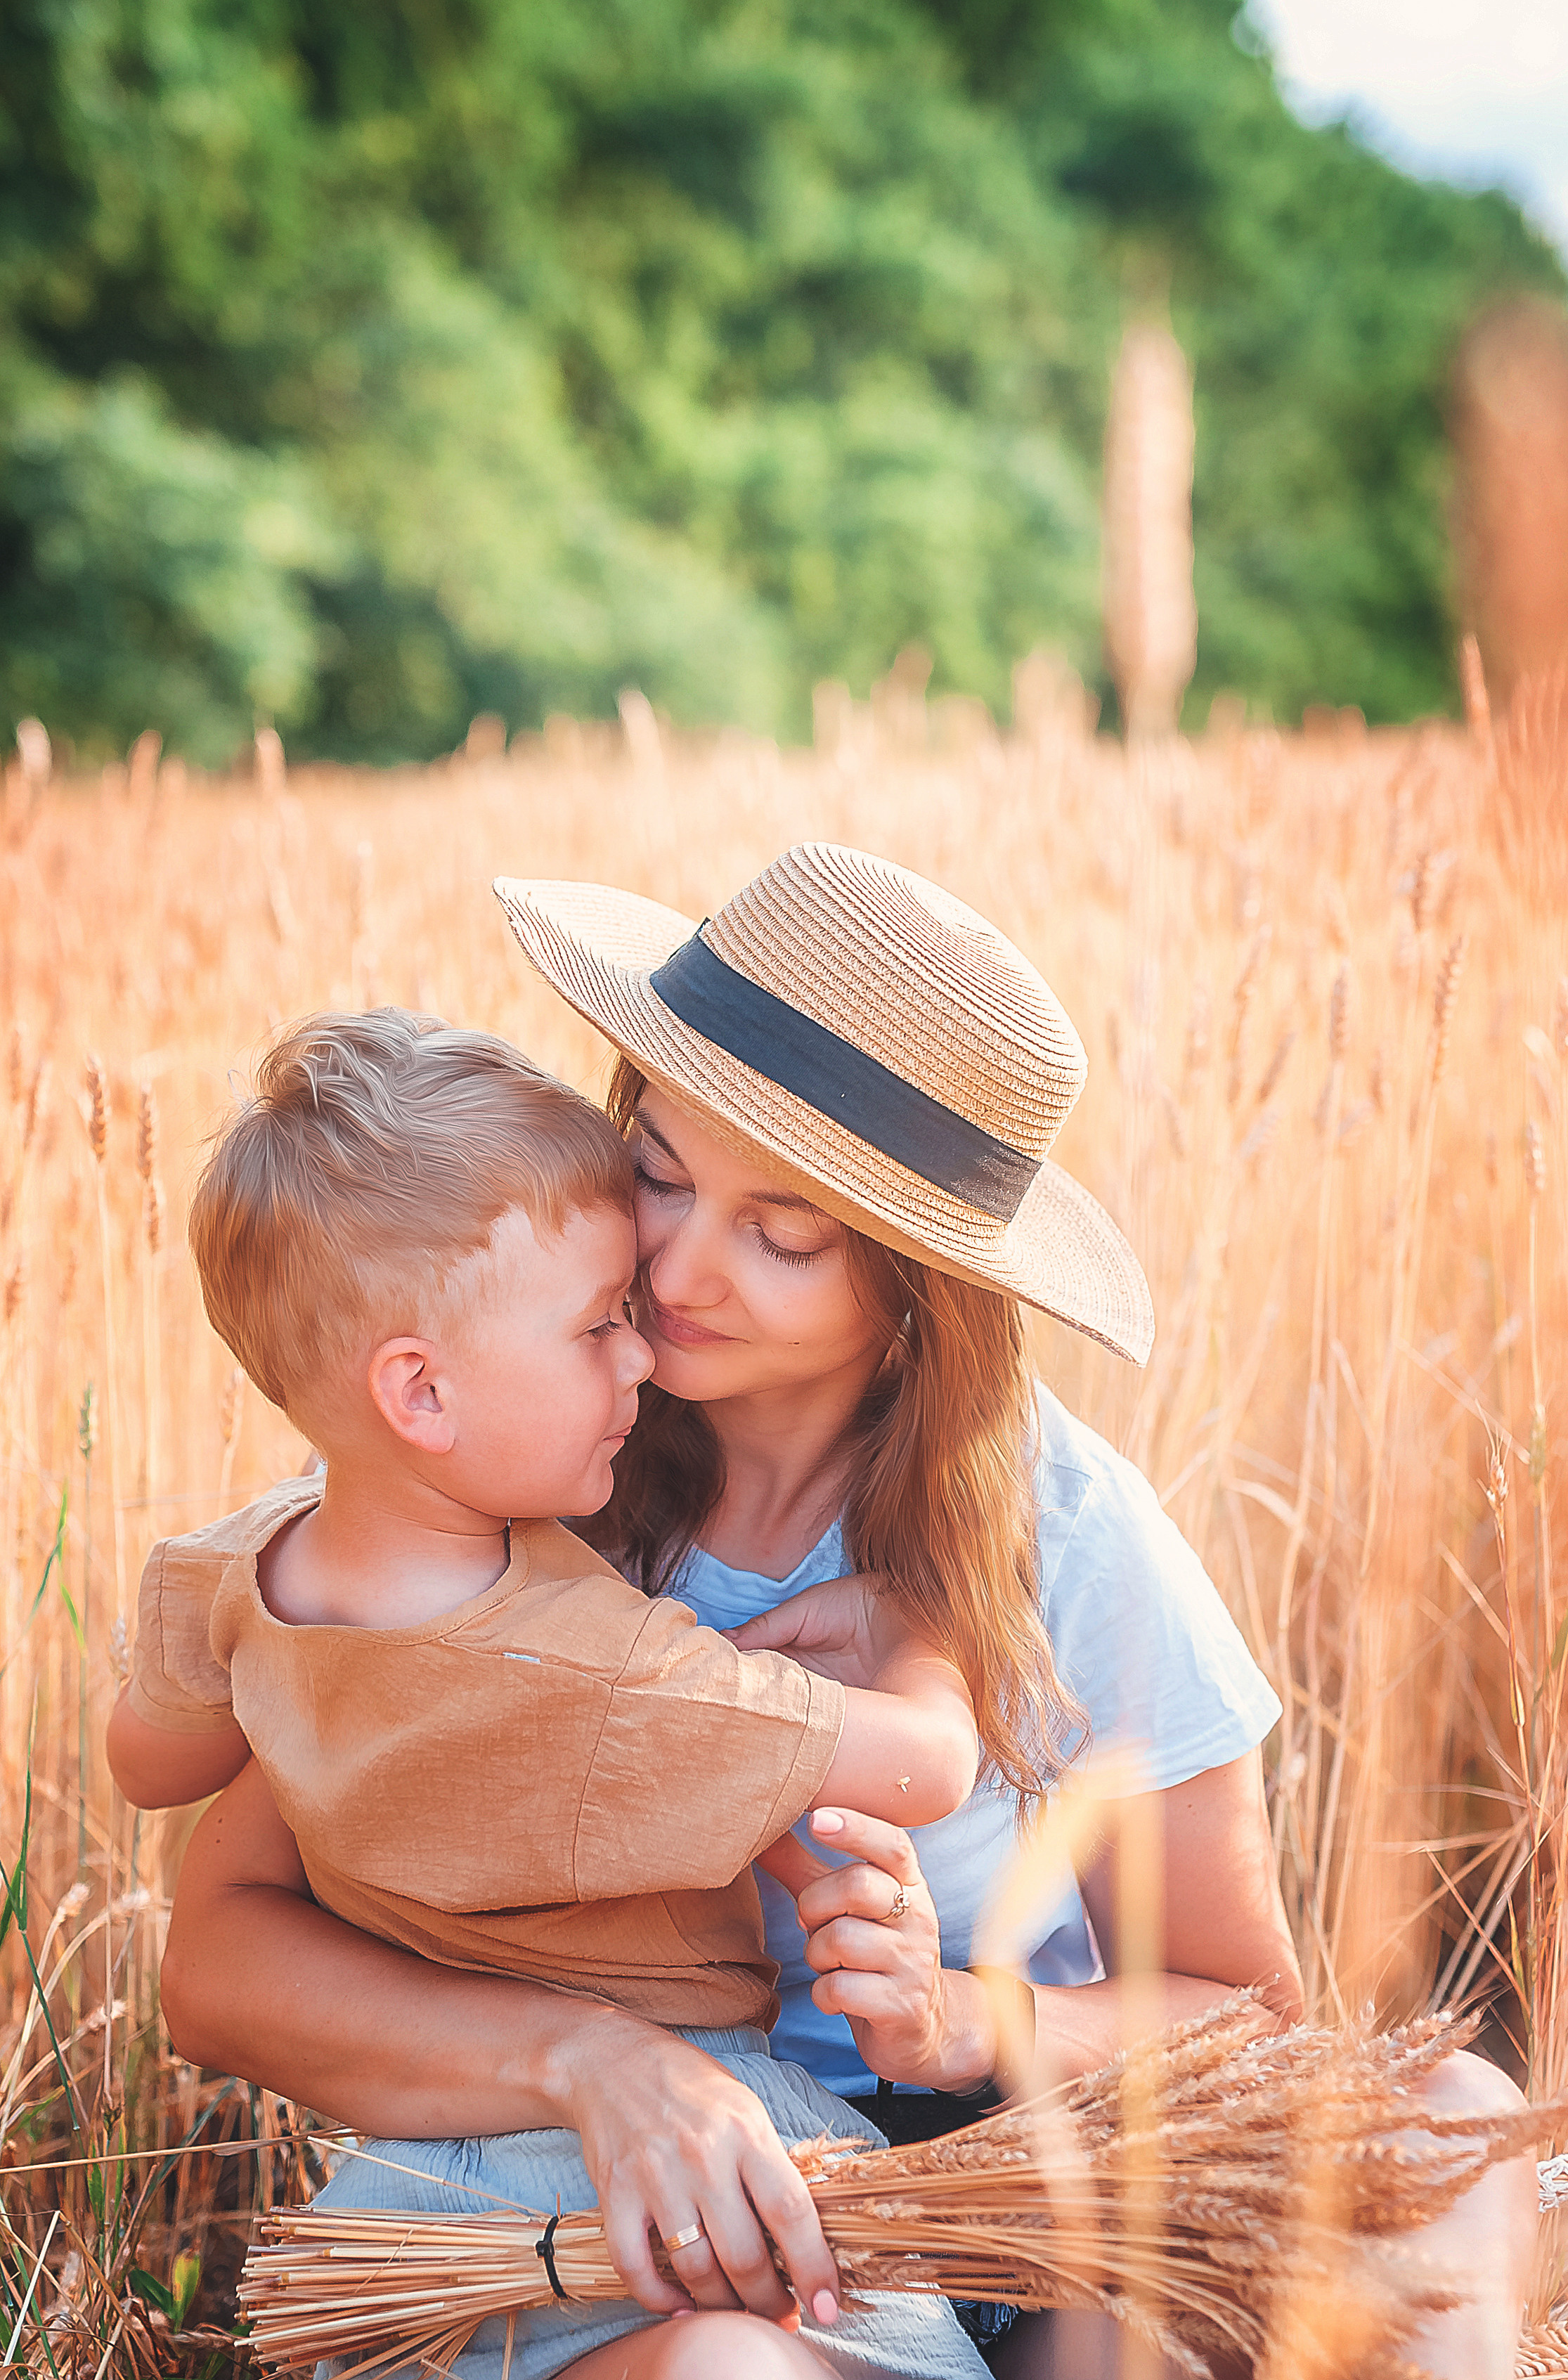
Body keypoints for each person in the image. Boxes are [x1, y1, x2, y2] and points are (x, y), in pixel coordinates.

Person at [160, 846, 1536, 2380]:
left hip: (1007, 2206)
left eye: (787, 1234)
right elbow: (215, 1957)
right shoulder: (487, 1478)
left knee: (1454, 2125)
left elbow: (1246, 2012)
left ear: (920, 1280)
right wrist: (592, 2063)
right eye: (663, 1171)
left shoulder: (1068, 1537)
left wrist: (966, 2018)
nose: (675, 1268)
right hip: (657, 2236)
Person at [110, 1008, 992, 2380]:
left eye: (787, 1228)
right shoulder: (606, 1670)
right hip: (682, 2187)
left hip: (421, 2206)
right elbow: (924, 1763)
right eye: (598, 1325)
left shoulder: (232, 1574)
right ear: (422, 1393)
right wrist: (924, 1626)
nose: (642, 1343)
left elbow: (145, 1758)